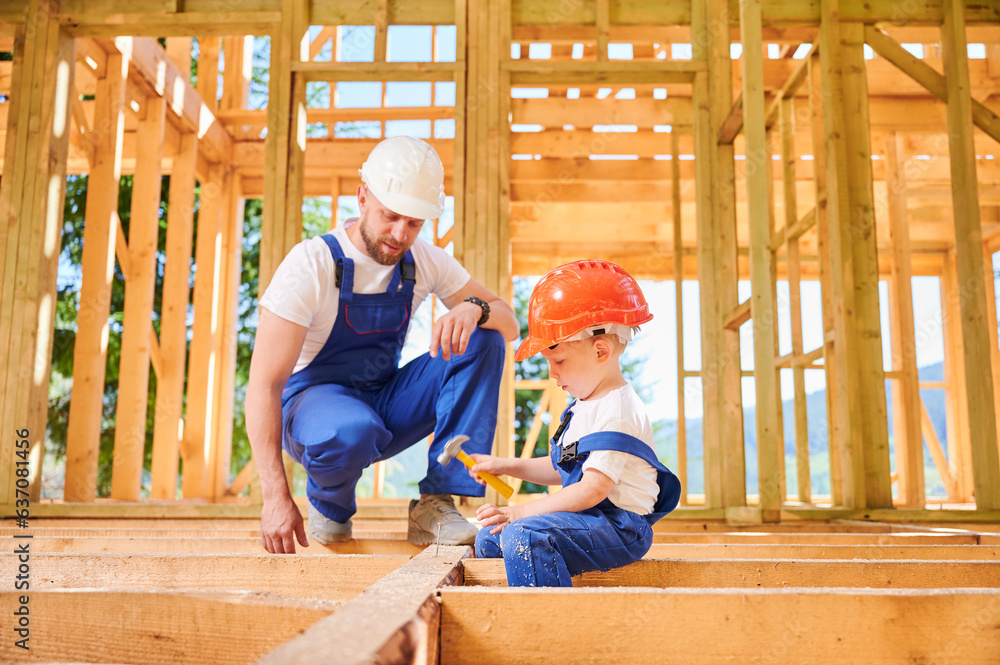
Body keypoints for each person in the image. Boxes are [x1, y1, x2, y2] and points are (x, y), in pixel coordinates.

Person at [246, 136, 519, 554]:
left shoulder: (423, 260)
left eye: (413, 223)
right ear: (362, 197)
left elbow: (510, 322)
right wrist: (273, 497)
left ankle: (436, 503)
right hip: (314, 408)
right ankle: (331, 507)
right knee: (352, 429)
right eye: (390, 216)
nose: (399, 234)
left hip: (382, 399)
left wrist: (474, 308)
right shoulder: (311, 264)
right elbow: (263, 385)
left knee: (484, 338)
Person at [468, 260, 681, 586]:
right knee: (489, 539)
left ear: (600, 351)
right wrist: (505, 465)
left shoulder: (617, 410)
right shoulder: (582, 406)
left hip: (620, 526)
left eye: (559, 361)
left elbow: (593, 488)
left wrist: (519, 513)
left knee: (522, 533)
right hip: (589, 517)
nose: (552, 373)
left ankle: (547, 624)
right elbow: (563, 468)